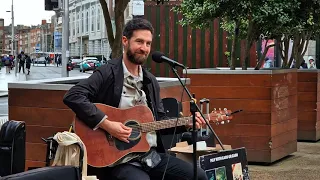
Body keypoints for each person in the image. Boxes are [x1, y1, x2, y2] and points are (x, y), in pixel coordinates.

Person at [63, 18, 208, 180]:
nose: (144, 48)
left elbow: (158, 120)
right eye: (139, 41)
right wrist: (108, 125)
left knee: (198, 175)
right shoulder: (108, 73)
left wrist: (186, 124)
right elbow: (73, 96)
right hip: (119, 160)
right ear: (125, 41)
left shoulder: (150, 81)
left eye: (148, 43)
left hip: (150, 157)